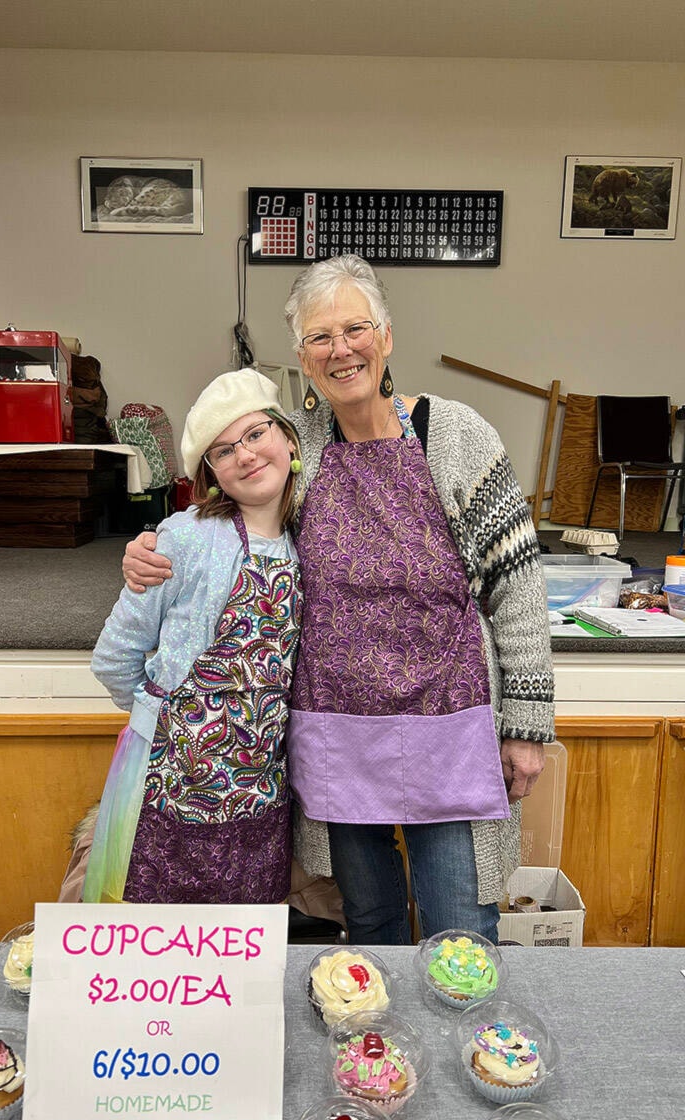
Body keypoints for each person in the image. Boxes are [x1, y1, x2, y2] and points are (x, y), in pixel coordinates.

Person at [122, 255, 555, 944]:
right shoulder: (297, 448)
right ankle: (379, 1052)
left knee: (459, 931)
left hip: (450, 726)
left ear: (385, 336)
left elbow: (519, 585)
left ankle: (461, 1054)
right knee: (371, 925)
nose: (341, 349)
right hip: (338, 737)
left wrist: (528, 724)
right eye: (320, 337)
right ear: (302, 357)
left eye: (355, 328)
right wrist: (150, 546)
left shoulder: (457, 436)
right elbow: (222, 519)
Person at [80, 368, 303, 905]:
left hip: (259, 795)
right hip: (168, 784)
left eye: (255, 434)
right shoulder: (185, 537)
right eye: (223, 451)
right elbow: (114, 656)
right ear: (211, 474)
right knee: (156, 948)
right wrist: (154, 717)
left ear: (288, 440)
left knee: (240, 954)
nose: (245, 455)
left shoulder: (309, 541)